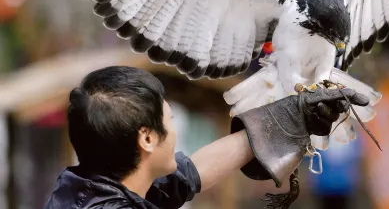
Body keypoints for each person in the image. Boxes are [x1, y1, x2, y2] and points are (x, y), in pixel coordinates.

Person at [44, 66, 372, 208]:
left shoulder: (93, 190)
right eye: (170, 120)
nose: (175, 131)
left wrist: (292, 114)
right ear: (146, 138)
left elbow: (190, 174)